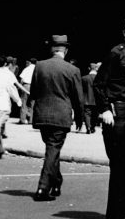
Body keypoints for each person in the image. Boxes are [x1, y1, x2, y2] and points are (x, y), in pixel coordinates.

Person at [95, 15, 125, 219]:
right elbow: (99, 83)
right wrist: (105, 108)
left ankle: (120, 212)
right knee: (118, 164)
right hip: (118, 113)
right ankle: (115, 214)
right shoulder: (116, 53)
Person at [30, 34, 85, 202]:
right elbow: (78, 99)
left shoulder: (39, 66)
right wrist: (80, 119)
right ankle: (43, 187)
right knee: (53, 150)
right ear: (65, 50)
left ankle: (56, 182)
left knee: (52, 150)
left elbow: (33, 92)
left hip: (42, 115)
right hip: (61, 115)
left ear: (52, 49)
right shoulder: (72, 70)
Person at [19, 57, 36, 124]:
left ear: (30, 62)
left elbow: (22, 79)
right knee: (32, 103)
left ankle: (23, 119)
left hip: (26, 85)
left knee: (24, 102)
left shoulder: (27, 68)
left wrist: (20, 86)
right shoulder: (37, 69)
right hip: (34, 86)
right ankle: (31, 120)